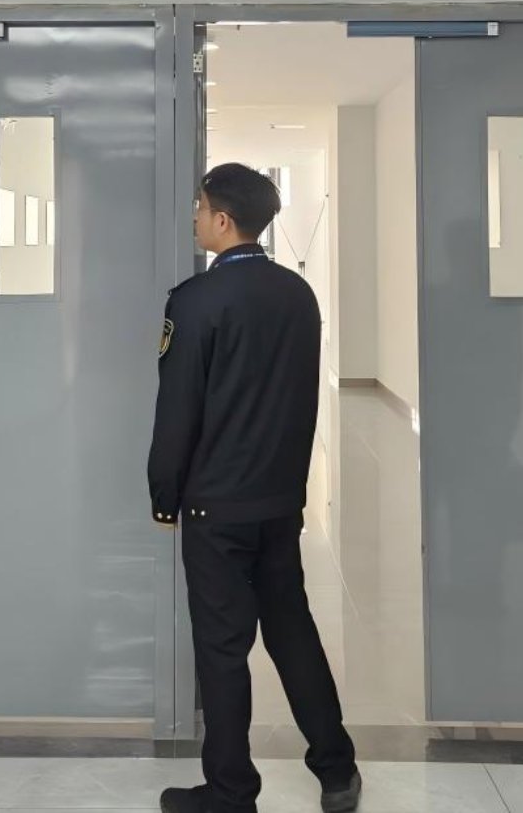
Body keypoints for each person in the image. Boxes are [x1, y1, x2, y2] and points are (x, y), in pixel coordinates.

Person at [149, 163, 359, 813]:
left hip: (215, 504)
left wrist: (164, 493)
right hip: (278, 499)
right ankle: (337, 770)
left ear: (222, 218)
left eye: (199, 207)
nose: (194, 217)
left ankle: (230, 791)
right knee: (291, 629)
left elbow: (178, 410)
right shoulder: (299, 294)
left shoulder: (195, 301)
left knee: (222, 647)